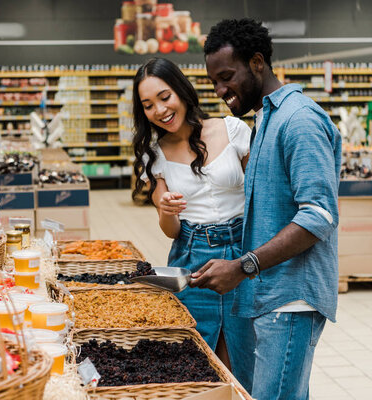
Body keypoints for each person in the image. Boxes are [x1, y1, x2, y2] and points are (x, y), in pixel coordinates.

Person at [191, 19, 341, 400]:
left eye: (227, 76)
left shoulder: (300, 120)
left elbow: (318, 215)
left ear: (257, 62)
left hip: (291, 298)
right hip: (269, 293)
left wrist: (243, 267)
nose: (221, 90)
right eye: (214, 82)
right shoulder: (266, 118)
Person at [132, 57, 254, 393]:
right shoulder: (154, 154)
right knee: (197, 360)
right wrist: (168, 210)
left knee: (242, 356)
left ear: (182, 91)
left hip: (242, 253)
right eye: (148, 105)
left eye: (164, 96)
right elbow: (170, 231)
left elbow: (261, 195)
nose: (159, 110)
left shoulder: (232, 130)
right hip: (191, 258)